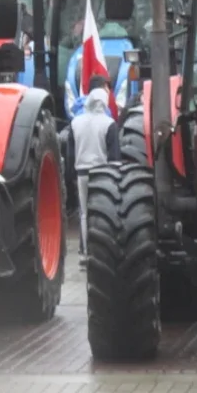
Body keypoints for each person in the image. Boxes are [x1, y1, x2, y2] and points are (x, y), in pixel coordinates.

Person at [67, 86, 120, 266]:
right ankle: (102, 252)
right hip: (103, 174)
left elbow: (70, 155)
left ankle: (84, 252)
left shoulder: (75, 123)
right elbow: (114, 157)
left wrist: (71, 175)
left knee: (84, 213)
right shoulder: (109, 124)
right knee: (104, 213)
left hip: (81, 173)